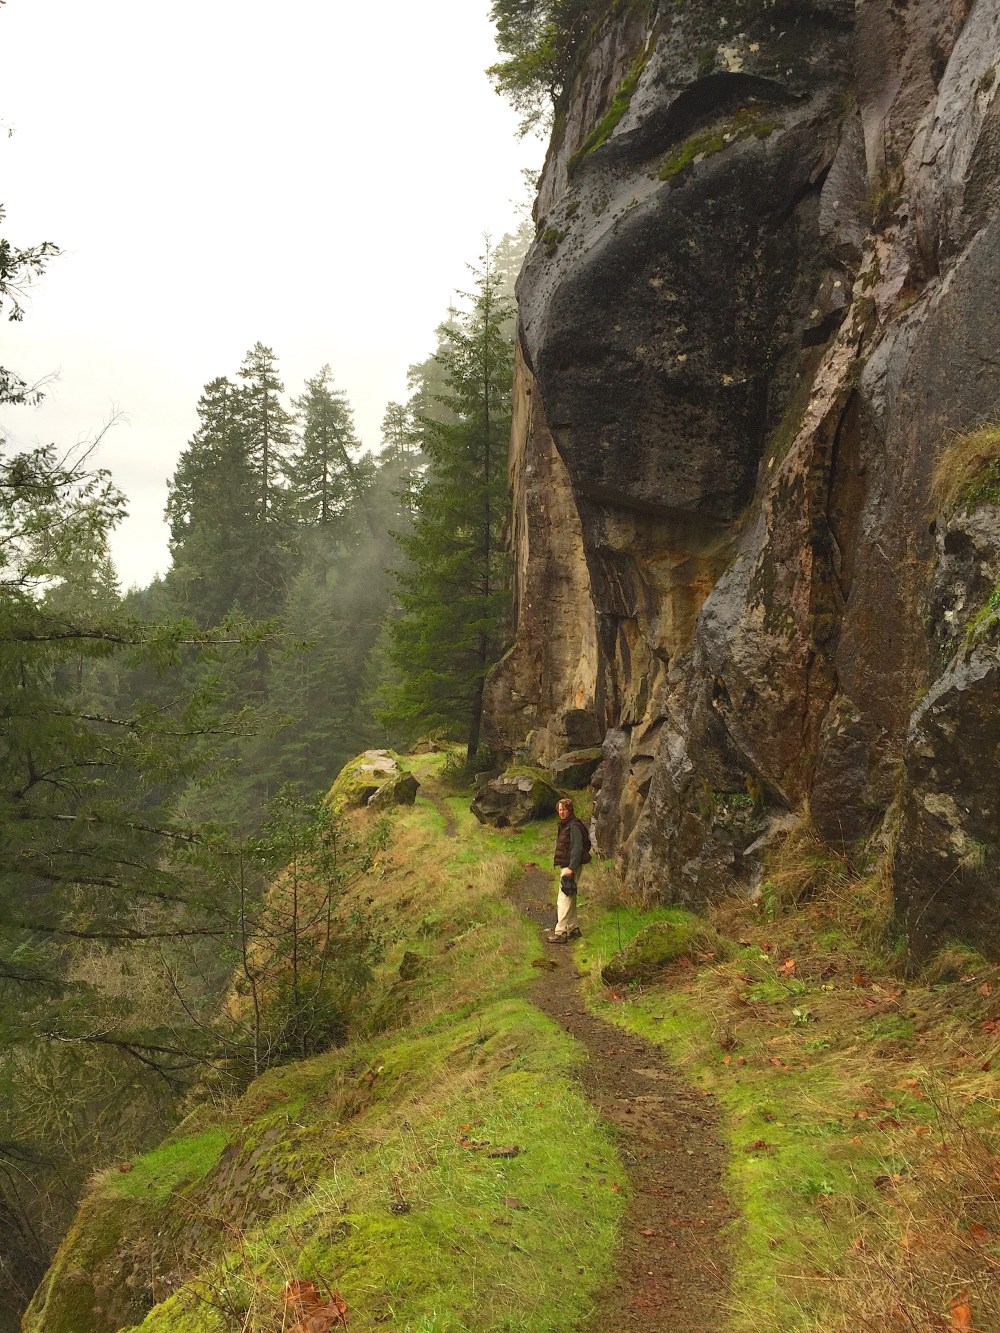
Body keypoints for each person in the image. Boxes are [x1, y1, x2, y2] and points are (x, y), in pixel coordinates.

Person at [546, 797, 588, 943]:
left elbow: (577, 848)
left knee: (563, 898)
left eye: (563, 809)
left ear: (570, 810)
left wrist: (571, 867)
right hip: (568, 865)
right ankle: (573, 928)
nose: (561, 812)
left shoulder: (573, 826)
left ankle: (560, 932)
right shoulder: (567, 825)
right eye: (559, 810)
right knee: (571, 896)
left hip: (570, 867)